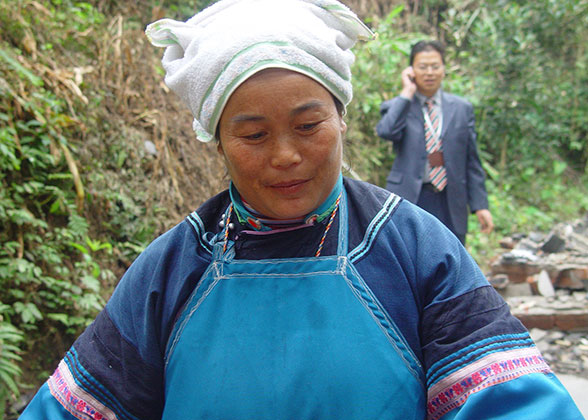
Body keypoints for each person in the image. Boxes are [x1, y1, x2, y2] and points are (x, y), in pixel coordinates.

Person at [20, 1, 582, 419]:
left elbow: (511, 403)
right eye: (254, 134)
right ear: (217, 140)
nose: (285, 156)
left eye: (308, 126)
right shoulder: (173, 269)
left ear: (341, 118)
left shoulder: (410, 247)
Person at [376, 40, 493, 244]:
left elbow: (471, 160)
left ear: (444, 69)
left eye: (435, 66)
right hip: (412, 196)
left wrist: (480, 205)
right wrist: (407, 92)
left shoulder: (461, 108)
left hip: (450, 199)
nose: (429, 72)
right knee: (411, 258)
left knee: (453, 260)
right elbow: (386, 131)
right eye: (422, 67)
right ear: (411, 70)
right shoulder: (399, 106)